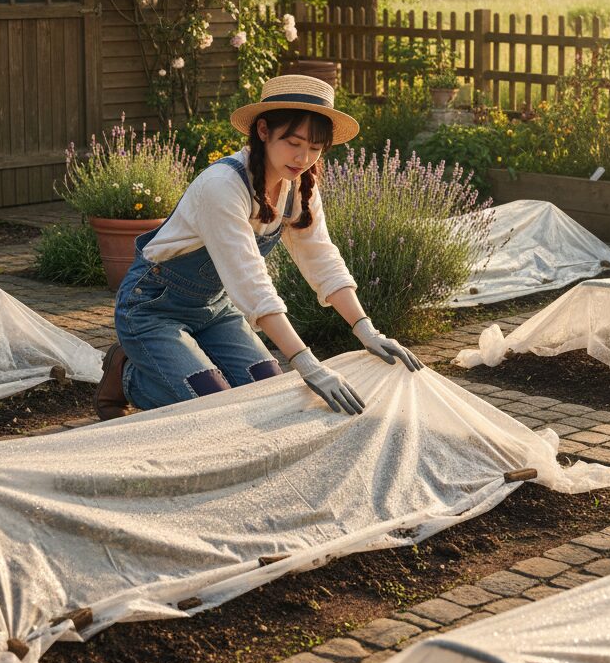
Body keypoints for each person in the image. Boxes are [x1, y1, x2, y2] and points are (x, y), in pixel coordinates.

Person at [93, 74, 422, 420]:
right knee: (215, 408)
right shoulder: (222, 186)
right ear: (263, 131)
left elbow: (322, 259)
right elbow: (251, 281)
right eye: (293, 142)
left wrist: (366, 329)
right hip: (152, 308)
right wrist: (306, 363)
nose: (303, 157)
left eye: (314, 148)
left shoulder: (299, 189)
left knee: (269, 396)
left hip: (215, 308)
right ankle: (126, 374)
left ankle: (187, 363)